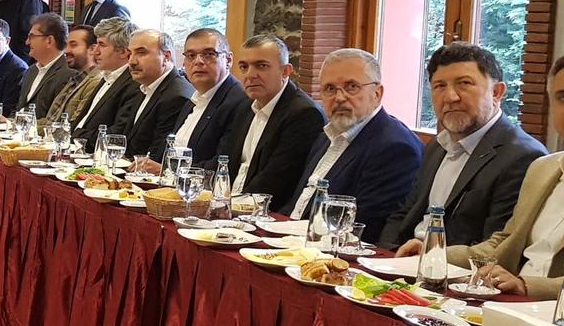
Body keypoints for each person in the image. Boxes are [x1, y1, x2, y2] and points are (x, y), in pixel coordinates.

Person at [381, 43, 545, 254]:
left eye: (464, 84)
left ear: (497, 92)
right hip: (404, 262)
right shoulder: (437, 146)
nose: (450, 97)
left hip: (453, 268)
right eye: (440, 86)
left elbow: (497, 246)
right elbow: (403, 215)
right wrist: (385, 256)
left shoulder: (522, 157)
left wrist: (429, 257)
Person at [448, 55, 564, 299]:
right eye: (562, 98)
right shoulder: (543, 169)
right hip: (509, 304)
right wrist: (434, 252)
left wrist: (526, 285)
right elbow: (503, 243)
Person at [282, 48, 422, 242]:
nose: (339, 98)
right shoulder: (328, 135)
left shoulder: (395, 148)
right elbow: (298, 204)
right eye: (330, 89)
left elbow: (365, 229)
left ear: (377, 93)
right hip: (292, 239)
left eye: (351, 87)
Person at [219, 35, 324, 212]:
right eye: (244, 67)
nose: (250, 75)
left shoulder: (304, 114)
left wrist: (226, 206)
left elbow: (276, 183)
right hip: (230, 206)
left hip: (266, 214)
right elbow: (226, 162)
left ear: (285, 71)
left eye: (261, 66)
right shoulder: (245, 106)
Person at [141, 28, 249, 172]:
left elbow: (223, 164)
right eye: (191, 55)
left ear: (228, 60)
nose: (198, 61)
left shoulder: (239, 102)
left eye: (209, 54)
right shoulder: (193, 99)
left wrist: (166, 170)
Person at [117, 30, 192, 161]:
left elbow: (157, 156)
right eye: (130, 54)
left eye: (141, 53)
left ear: (166, 57)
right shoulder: (145, 86)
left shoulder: (176, 96)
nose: (131, 61)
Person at [71, 18, 142, 149]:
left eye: (102, 45)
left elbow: (117, 133)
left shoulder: (134, 85)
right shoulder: (106, 76)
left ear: (123, 51)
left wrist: (77, 136)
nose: (96, 51)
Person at [15, 13, 78, 118]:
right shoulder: (31, 71)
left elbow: (56, 119)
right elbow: (19, 109)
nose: (27, 42)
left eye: (32, 37)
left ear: (49, 40)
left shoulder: (68, 75)